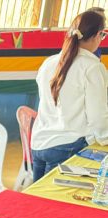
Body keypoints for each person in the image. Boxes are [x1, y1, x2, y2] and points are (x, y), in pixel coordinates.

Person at [31, 10, 108, 181]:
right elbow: (98, 117)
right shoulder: (92, 67)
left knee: (39, 203)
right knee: (59, 204)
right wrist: (104, 138)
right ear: (98, 34)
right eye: (103, 35)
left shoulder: (49, 62)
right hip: (67, 146)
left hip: (39, 144)